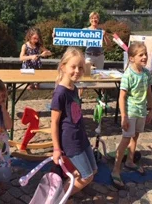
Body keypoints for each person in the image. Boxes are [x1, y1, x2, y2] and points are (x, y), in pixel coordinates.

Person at [51, 47, 98, 197]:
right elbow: (54, 123)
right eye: (73, 67)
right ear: (63, 66)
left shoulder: (74, 88)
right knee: (88, 176)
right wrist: (57, 149)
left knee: (94, 170)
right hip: (71, 142)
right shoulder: (60, 93)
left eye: (80, 67)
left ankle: (69, 187)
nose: (77, 71)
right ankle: (61, 197)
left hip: (81, 138)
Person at [111, 42, 152, 189]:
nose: (144, 57)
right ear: (131, 58)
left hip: (141, 111)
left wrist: (151, 109)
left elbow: (149, 93)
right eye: (140, 54)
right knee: (126, 139)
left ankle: (130, 161)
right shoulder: (128, 75)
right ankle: (116, 169)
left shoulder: (147, 73)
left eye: (145, 54)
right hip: (130, 113)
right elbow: (121, 97)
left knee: (135, 136)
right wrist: (123, 116)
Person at [78, 12, 110, 101]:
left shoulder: (101, 31)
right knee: (85, 75)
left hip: (99, 56)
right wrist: (57, 36)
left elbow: (108, 44)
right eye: (92, 18)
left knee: (100, 75)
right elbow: (75, 38)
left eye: (95, 18)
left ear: (98, 20)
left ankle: (102, 95)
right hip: (89, 55)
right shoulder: (85, 30)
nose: (94, 20)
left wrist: (105, 36)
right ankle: (79, 97)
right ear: (89, 20)